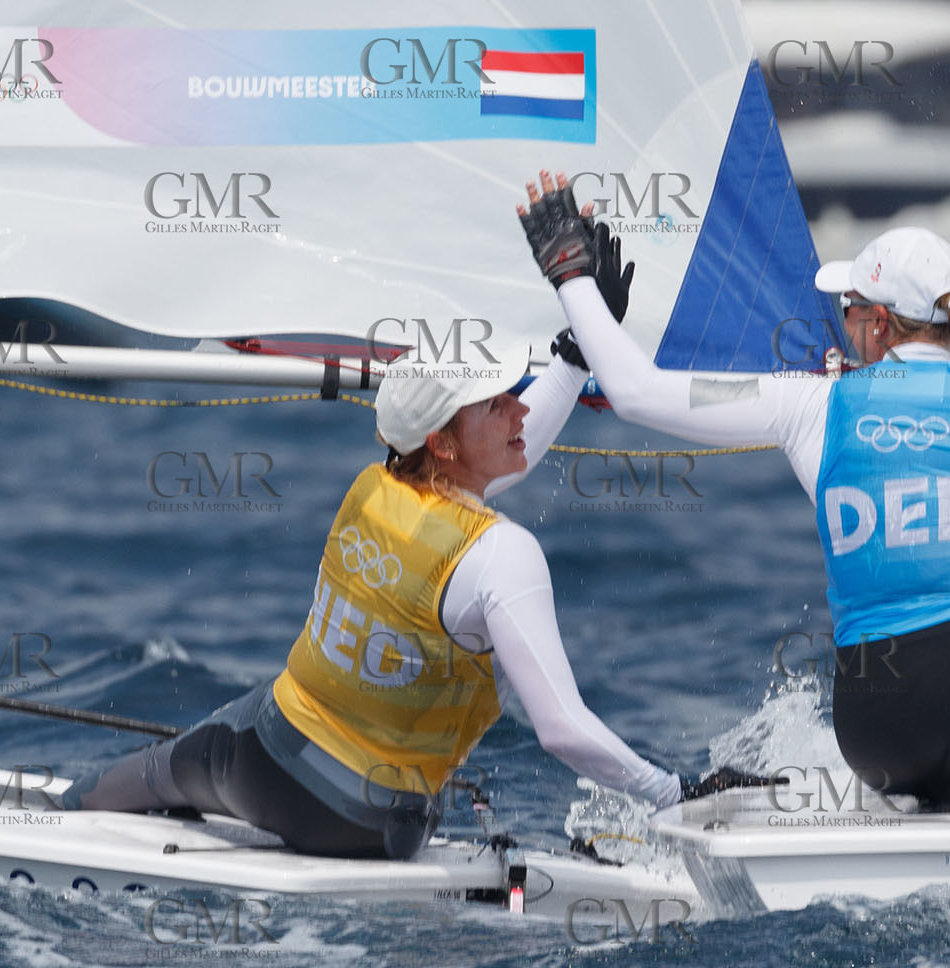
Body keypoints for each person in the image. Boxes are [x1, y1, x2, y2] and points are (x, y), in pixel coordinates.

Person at [516, 172, 950, 810]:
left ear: (879, 323)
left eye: (848, 308)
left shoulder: (808, 406)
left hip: (876, 729)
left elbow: (636, 392)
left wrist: (571, 274)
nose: (841, 324)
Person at [60, 228, 762, 857]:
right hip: (374, 823)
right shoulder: (501, 555)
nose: (519, 410)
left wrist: (575, 356)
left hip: (268, 765)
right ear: (444, 445)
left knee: (150, 774)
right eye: (496, 403)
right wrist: (677, 793)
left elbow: (493, 466)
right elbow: (560, 730)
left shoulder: (374, 488)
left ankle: (67, 814)